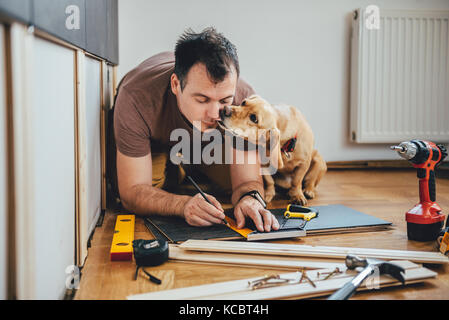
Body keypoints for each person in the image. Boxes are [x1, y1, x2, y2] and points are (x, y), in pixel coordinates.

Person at [113, 27, 279, 232]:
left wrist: (249, 199)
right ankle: (182, 167)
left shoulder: (243, 101)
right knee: (153, 190)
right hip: (157, 142)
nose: (214, 114)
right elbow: (132, 192)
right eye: (202, 100)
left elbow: (248, 180)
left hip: (211, 144)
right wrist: (183, 205)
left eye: (224, 101)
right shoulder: (136, 97)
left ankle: (188, 165)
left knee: (239, 184)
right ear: (175, 84)